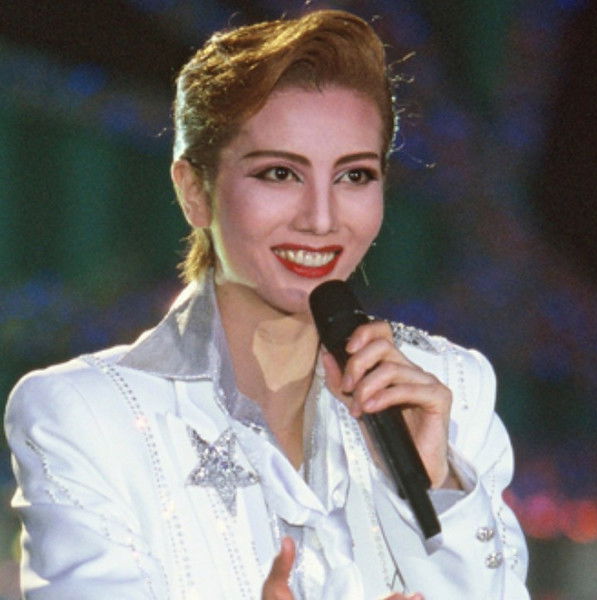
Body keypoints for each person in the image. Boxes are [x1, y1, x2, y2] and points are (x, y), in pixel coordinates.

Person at [4, 9, 529, 600]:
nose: (321, 219)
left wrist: (439, 486)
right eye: (280, 173)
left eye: (354, 176)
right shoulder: (86, 416)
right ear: (194, 191)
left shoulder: (450, 389)